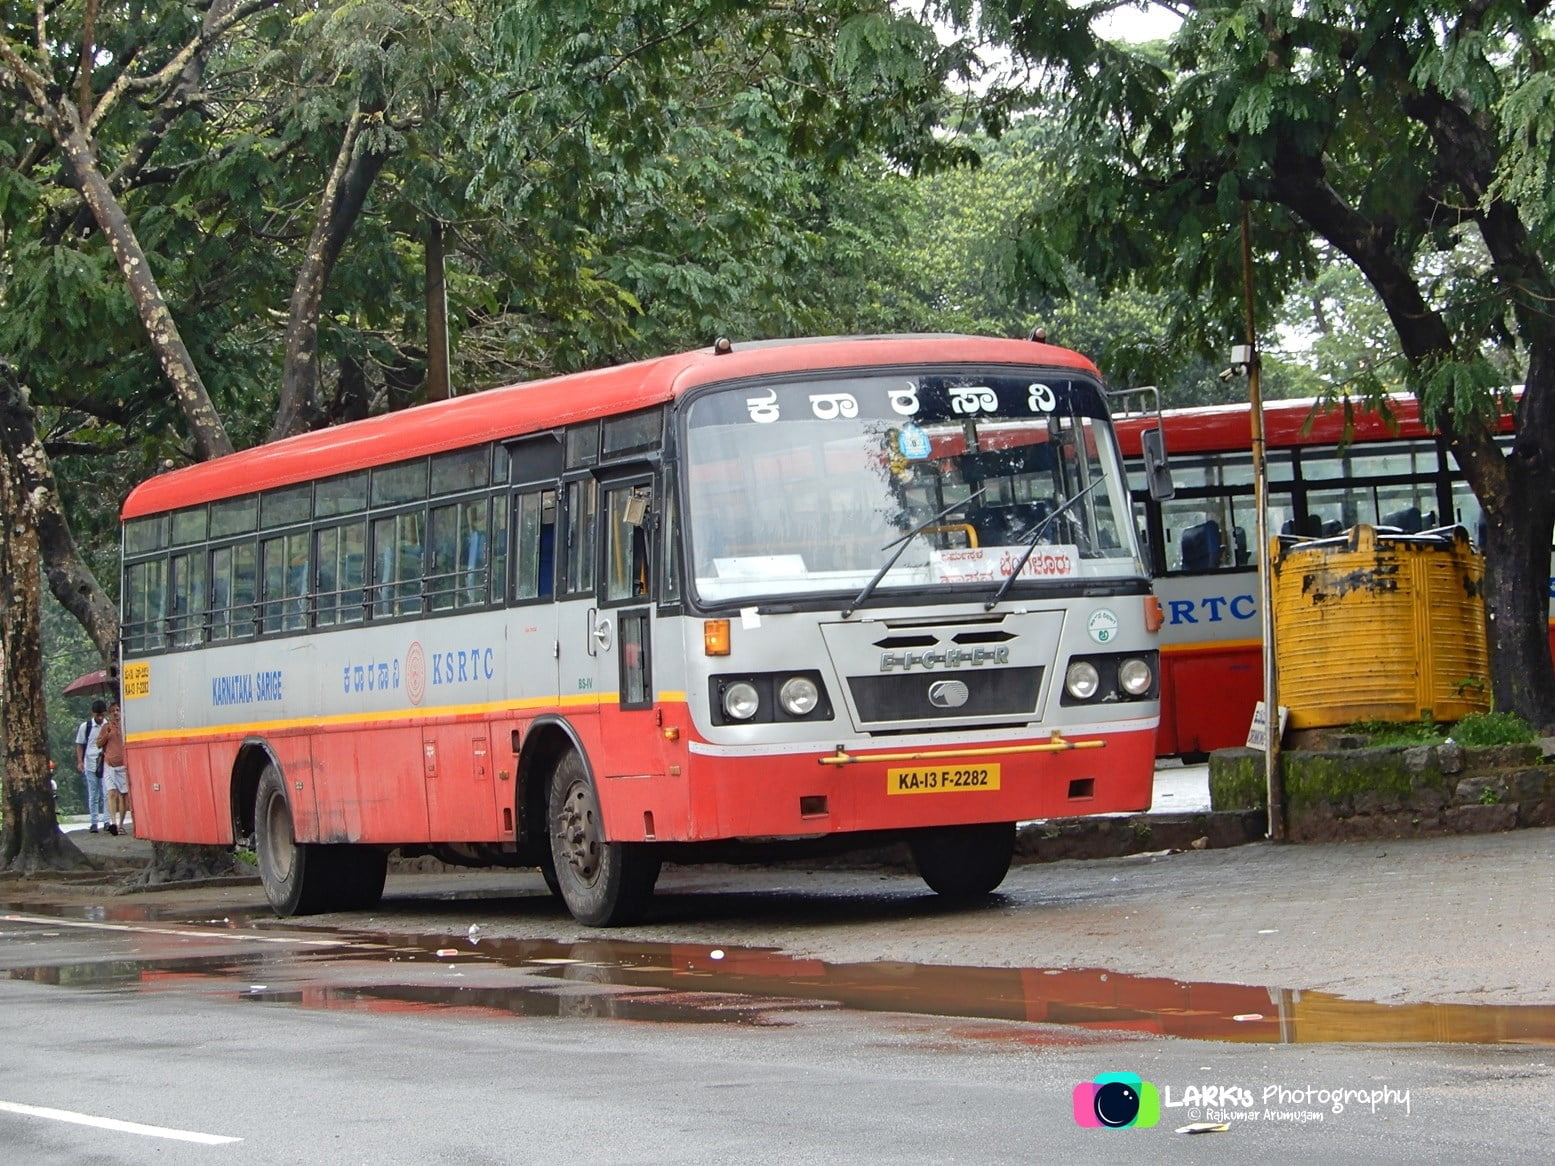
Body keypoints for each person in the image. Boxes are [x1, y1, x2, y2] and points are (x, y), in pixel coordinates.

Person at [95, 701, 131, 837]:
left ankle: (121, 824)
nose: (115, 713)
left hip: (123, 764)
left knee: (124, 796)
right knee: (111, 793)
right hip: (109, 764)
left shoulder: (125, 726)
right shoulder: (106, 727)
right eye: (112, 711)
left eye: (117, 710)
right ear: (109, 714)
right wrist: (106, 734)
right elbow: (98, 744)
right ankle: (113, 823)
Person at [74, 699, 108, 833]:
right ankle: (94, 822)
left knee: (106, 793)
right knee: (93, 794)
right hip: (90, 763)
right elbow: (80, 745)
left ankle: (107, 821)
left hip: (105, 762)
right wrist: (80, 761)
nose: (100, 718)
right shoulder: (86, 727)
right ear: (92, 714)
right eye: (97, 715)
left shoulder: (108, 726)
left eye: (102, 715)